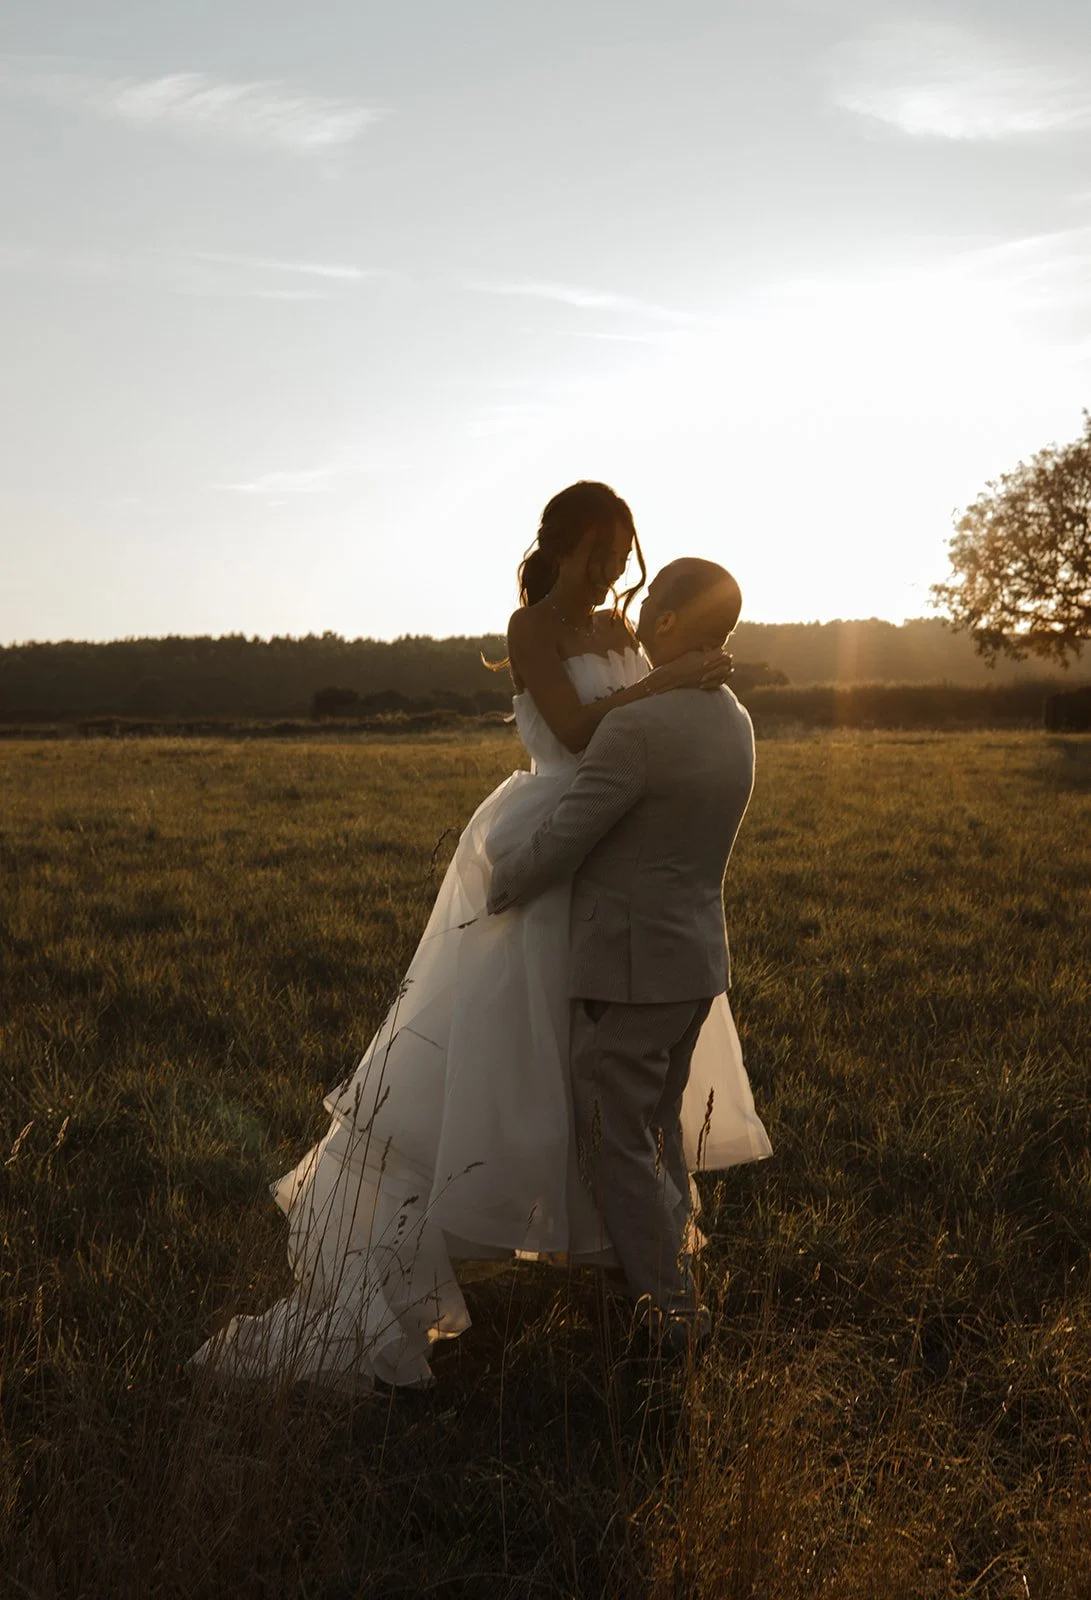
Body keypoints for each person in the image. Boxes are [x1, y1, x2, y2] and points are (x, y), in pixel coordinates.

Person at [190, 484, 770, 1392]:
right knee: (522, 1058)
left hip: (619, 849)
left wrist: (663, 680)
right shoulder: (532, 626)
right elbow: (577, 729)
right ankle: (508, 1252)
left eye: (627, 553)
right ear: (566, 544)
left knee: (612, 1094)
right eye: (604, 551)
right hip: (558, 826)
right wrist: (665, 683)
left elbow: (641, 742)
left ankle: (622, 1268)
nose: (618, 570)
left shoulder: (625, 636)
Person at [488, 558, 759, 1350]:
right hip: (695, 960)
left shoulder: (637, 727)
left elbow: (570, 834)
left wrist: (497, 882)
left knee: (614, 1139)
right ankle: (669, 1274)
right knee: (656, 1131)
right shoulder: (733, 716)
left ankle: (672, 1314)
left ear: (671, 622)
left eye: (649, 602)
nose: (634, 611)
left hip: (635, 966)